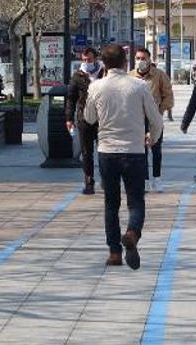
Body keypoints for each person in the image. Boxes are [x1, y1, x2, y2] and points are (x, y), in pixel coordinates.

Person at [84, 44, 162, 270]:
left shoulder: (96, 87)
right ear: (125, 62)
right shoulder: (139, 86)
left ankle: (114, 253)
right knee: (136, 201)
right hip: (135, 152)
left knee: (111, 203)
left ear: (103, 64)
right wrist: (153, 139)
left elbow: (89, 118)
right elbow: (155, 120)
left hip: (107, 152)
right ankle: (132, 233)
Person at [130, 48, 174, 193]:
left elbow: (168, 96)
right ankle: (145, 180)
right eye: (138, 58)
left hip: (154, 119)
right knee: (140, 151)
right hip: (137, 119)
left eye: (143, 58)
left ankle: (157, 179)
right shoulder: (130, 76)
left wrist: (160, 110)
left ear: (149, 59)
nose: (140, 61)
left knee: (156, 150)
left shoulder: (159, 75)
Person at [66, 48, 105, 195]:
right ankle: (89, 181)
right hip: (84, 118)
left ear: (95, 58)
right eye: (84, 60)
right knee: (86, 152)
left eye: (89, 59)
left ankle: (106, 179)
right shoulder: (77, 76)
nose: (86, 62)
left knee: (104, 151)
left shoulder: (104, 73)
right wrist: (69, 118)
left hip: (103, 119)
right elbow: (71, 98)